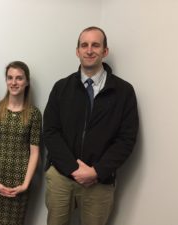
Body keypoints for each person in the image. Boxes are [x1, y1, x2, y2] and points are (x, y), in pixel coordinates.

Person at [43, 26, 139, 225]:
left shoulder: (124, 91)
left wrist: (96, 171)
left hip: (100, 179)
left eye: (95, 45)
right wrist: (72, 168)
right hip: (61, 175)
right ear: (77, 51)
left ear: (105, 51)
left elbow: (126, 139)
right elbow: (51, 131)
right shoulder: (61, 87)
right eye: (84, 45)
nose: (89, 50)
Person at [0, 61, 41, 225]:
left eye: (19, 78)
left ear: (26, 81)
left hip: (20, 183)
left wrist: (25, 184)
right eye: (10, 78)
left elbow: (35, 152)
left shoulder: (34, 114)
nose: (14, 82)